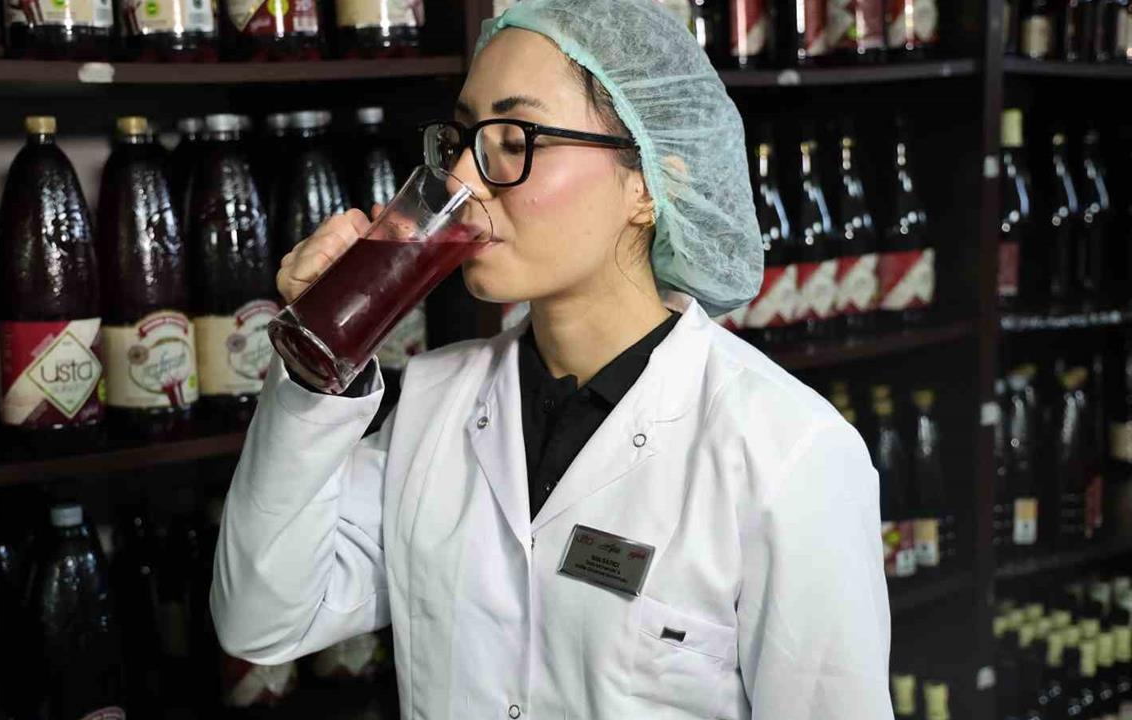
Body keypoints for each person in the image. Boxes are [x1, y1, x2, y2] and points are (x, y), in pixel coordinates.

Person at [210, 0, 892, 717]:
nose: (464, 179)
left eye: (514, 139)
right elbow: (262, 618)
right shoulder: (436, 402)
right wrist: (317, 363)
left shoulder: (787, 451)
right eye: (462, 139)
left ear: (647, 183)